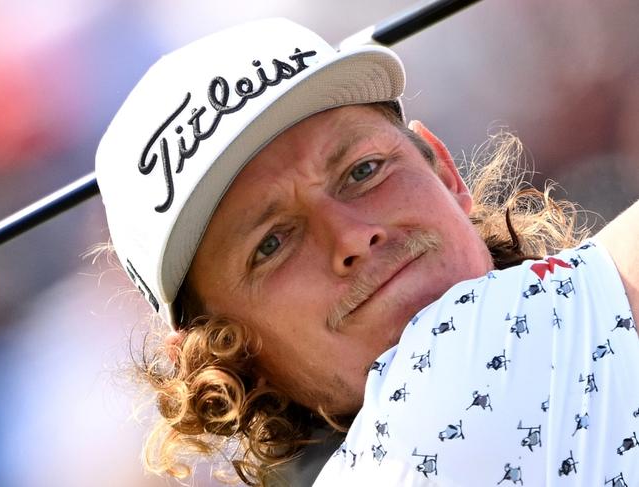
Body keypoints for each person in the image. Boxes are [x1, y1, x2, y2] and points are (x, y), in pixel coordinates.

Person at [95, 18, 639, 486]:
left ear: (442, 169)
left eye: (363, 171)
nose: (352, 237)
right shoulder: (442, 392)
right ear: (223, 364)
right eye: (273, 243)